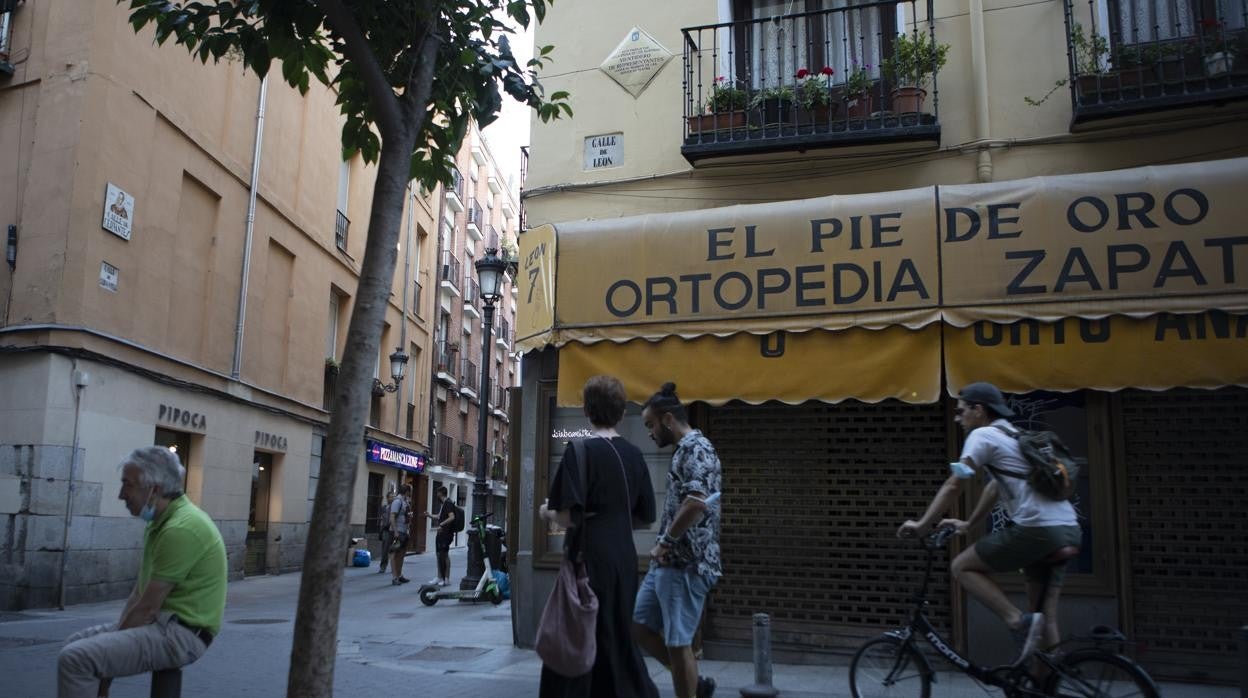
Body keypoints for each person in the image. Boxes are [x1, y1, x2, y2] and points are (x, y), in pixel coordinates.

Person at [897, 381, 1082, 663]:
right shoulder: (1014, 433)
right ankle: (1050, 684)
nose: (957, 418)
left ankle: (1015, 620)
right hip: (1068, 528)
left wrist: (923, 525)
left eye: (961, 412)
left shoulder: (982, 435)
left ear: (978, 410)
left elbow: (954, 484)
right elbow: (994, 487)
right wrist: (969, 524)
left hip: (1037, 530)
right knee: (1043, 615)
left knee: (961, 566)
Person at [58, 447, 226, 698]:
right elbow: (138, 595)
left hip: (183, 634)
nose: (121, 494)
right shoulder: (159, 522)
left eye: (128, 485)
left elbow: (147, 607)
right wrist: (108, 654)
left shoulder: (182, 528)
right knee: (74, 645)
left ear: (153, 490)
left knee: (76, 659)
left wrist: (107, 671)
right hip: (162, 623)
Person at [539, 375, 659, 698]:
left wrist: (545, 512)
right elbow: (645, 518)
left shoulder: (579, 452)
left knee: (581, 632)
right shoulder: (635, 455)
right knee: (619, 636)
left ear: (587, 412)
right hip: (624, 559)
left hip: (588, 559)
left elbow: (567, 515)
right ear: (621, 414)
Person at [633, 382, 721, 698]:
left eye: (650, 424)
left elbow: (696, 502)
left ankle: (689, 687)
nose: (649, 432)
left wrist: (665, 542)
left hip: (686, 564)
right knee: (639, 627)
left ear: (668, 419)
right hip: (667, 563)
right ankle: (694, 683)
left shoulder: (697, 449)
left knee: (678, 641)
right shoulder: (683, 451)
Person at [425, 486, 455, 586]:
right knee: (440, 555)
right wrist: (429, 515)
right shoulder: (444, 504)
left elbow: (452, 517)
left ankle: (445, 578)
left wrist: (441, 524)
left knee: (443, 555)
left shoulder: (448, 503)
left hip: (445, 534)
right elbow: (439, 516)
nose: (436, 495)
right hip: (442, 533)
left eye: (437, 493)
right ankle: (440, 577)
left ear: (441, 493)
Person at [389, 484, 412, 586]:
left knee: (401, 554)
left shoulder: (405, 501)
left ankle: (399, 575)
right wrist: (395, 532)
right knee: (394, 554)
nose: (410, 493)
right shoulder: (397, 501)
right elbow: (392, 516)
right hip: (397, 531)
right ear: (407, 491)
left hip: (404, 531)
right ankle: (394, 577)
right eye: (410, 491)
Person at [377, 489, 395, 574]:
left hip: (393, 530)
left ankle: (394, 567)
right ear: (387, 498)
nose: (392, 498)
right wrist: (381, 530)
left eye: (393, 497)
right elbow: (381, 519)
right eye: (391, 497)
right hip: (385, 530)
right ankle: (383, 566)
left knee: (393, 549)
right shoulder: (383, 507)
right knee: (384, 549)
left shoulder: (395, 507)